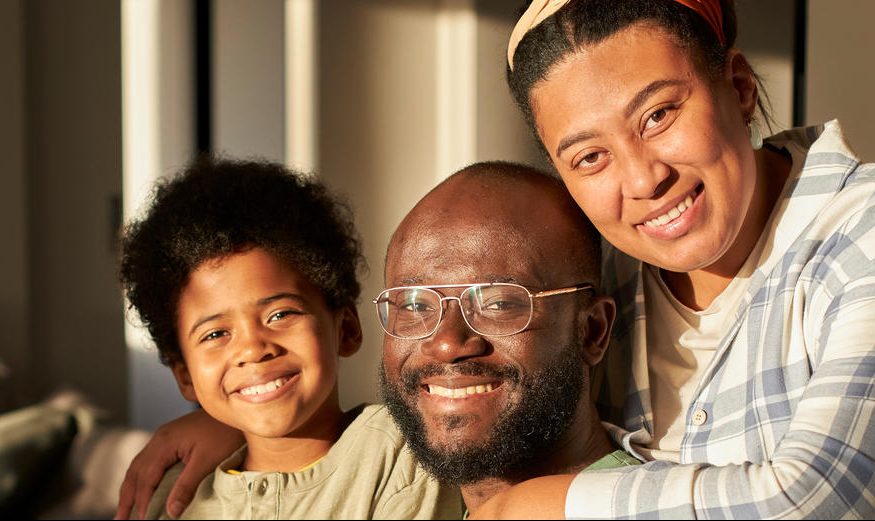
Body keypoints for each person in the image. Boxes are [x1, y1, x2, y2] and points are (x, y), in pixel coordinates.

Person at [472, 0, 875, 518]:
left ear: (739, 87)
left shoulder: (857, 231)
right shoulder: (593, 289)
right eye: (590, 157)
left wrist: (541, 505)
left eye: (658, 116)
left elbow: (824, 498)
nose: (644, 180)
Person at [114, 161, 638, 519]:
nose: (448, 342)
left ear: (591, 328)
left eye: (499, 302)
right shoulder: (187, 492)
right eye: (414, 306)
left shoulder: (632, 502)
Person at [118, 157, 462, 519]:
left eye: (281, 314)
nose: (252, 349)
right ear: (185, 375)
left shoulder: (403, 453)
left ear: (346, 329)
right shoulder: (178, 500)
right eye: (216, 334)